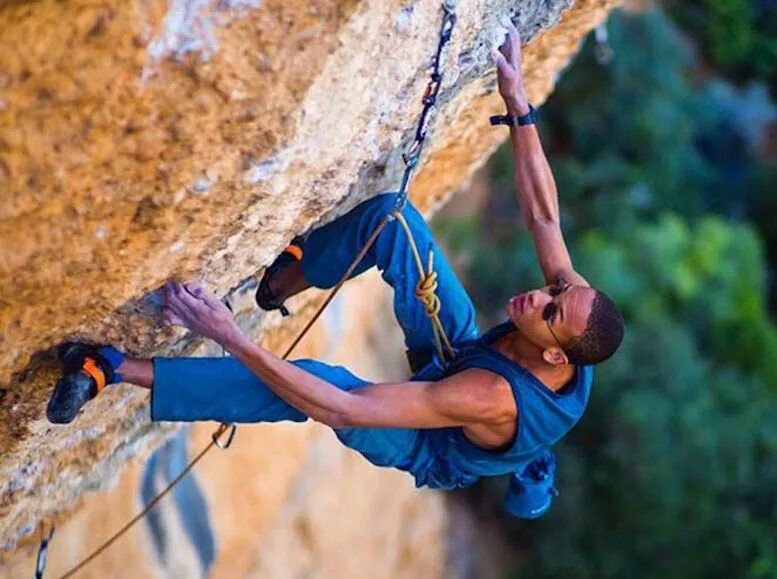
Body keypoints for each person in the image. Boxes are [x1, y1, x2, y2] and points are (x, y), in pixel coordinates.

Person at [47, 24, 624, 518]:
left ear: (555, 353)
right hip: (465, 356)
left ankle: (113, 369)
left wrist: (229, 335)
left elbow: (344, 408)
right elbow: (544, 215)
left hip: (424, 436)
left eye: (549, 310)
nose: (538, 295)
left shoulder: (490, 397)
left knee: (316, 384)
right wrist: (519, 105)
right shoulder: (573, 308)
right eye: (554, 288)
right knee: (393, 221)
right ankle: (281, 282)